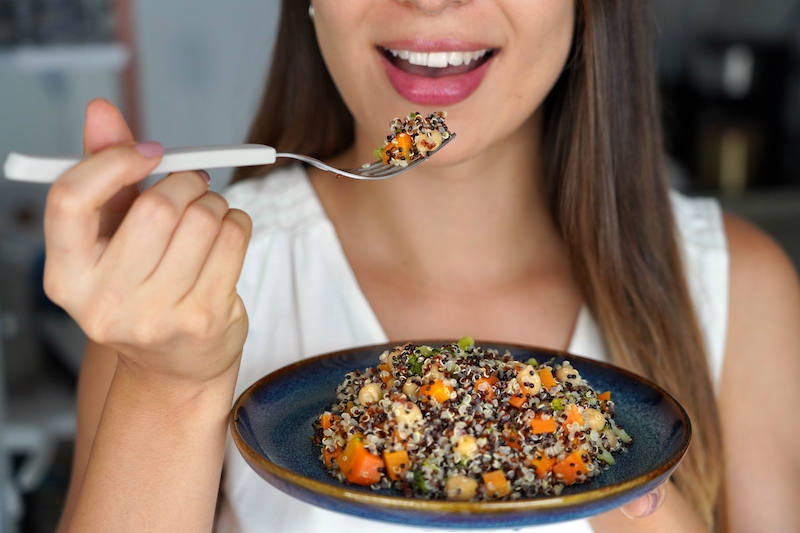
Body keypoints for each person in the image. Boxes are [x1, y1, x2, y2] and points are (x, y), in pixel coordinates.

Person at [43, 1, 799, 532]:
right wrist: (169, 384)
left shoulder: (741, 289)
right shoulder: (182, 293)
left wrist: (588, 463)